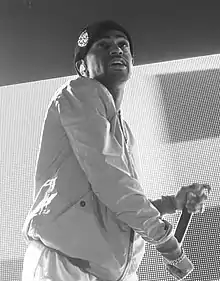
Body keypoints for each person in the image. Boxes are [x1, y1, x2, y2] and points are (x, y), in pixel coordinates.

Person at [21, 20, 211, 281]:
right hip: (64, 266)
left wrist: (172, 204)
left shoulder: (124, 131)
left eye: (123, 45)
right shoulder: (78, 92)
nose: (116, 50)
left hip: (108, 273)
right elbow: (110, 180)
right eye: (103, 45)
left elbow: (114, 207)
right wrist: (168, 245)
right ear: (82, 67)